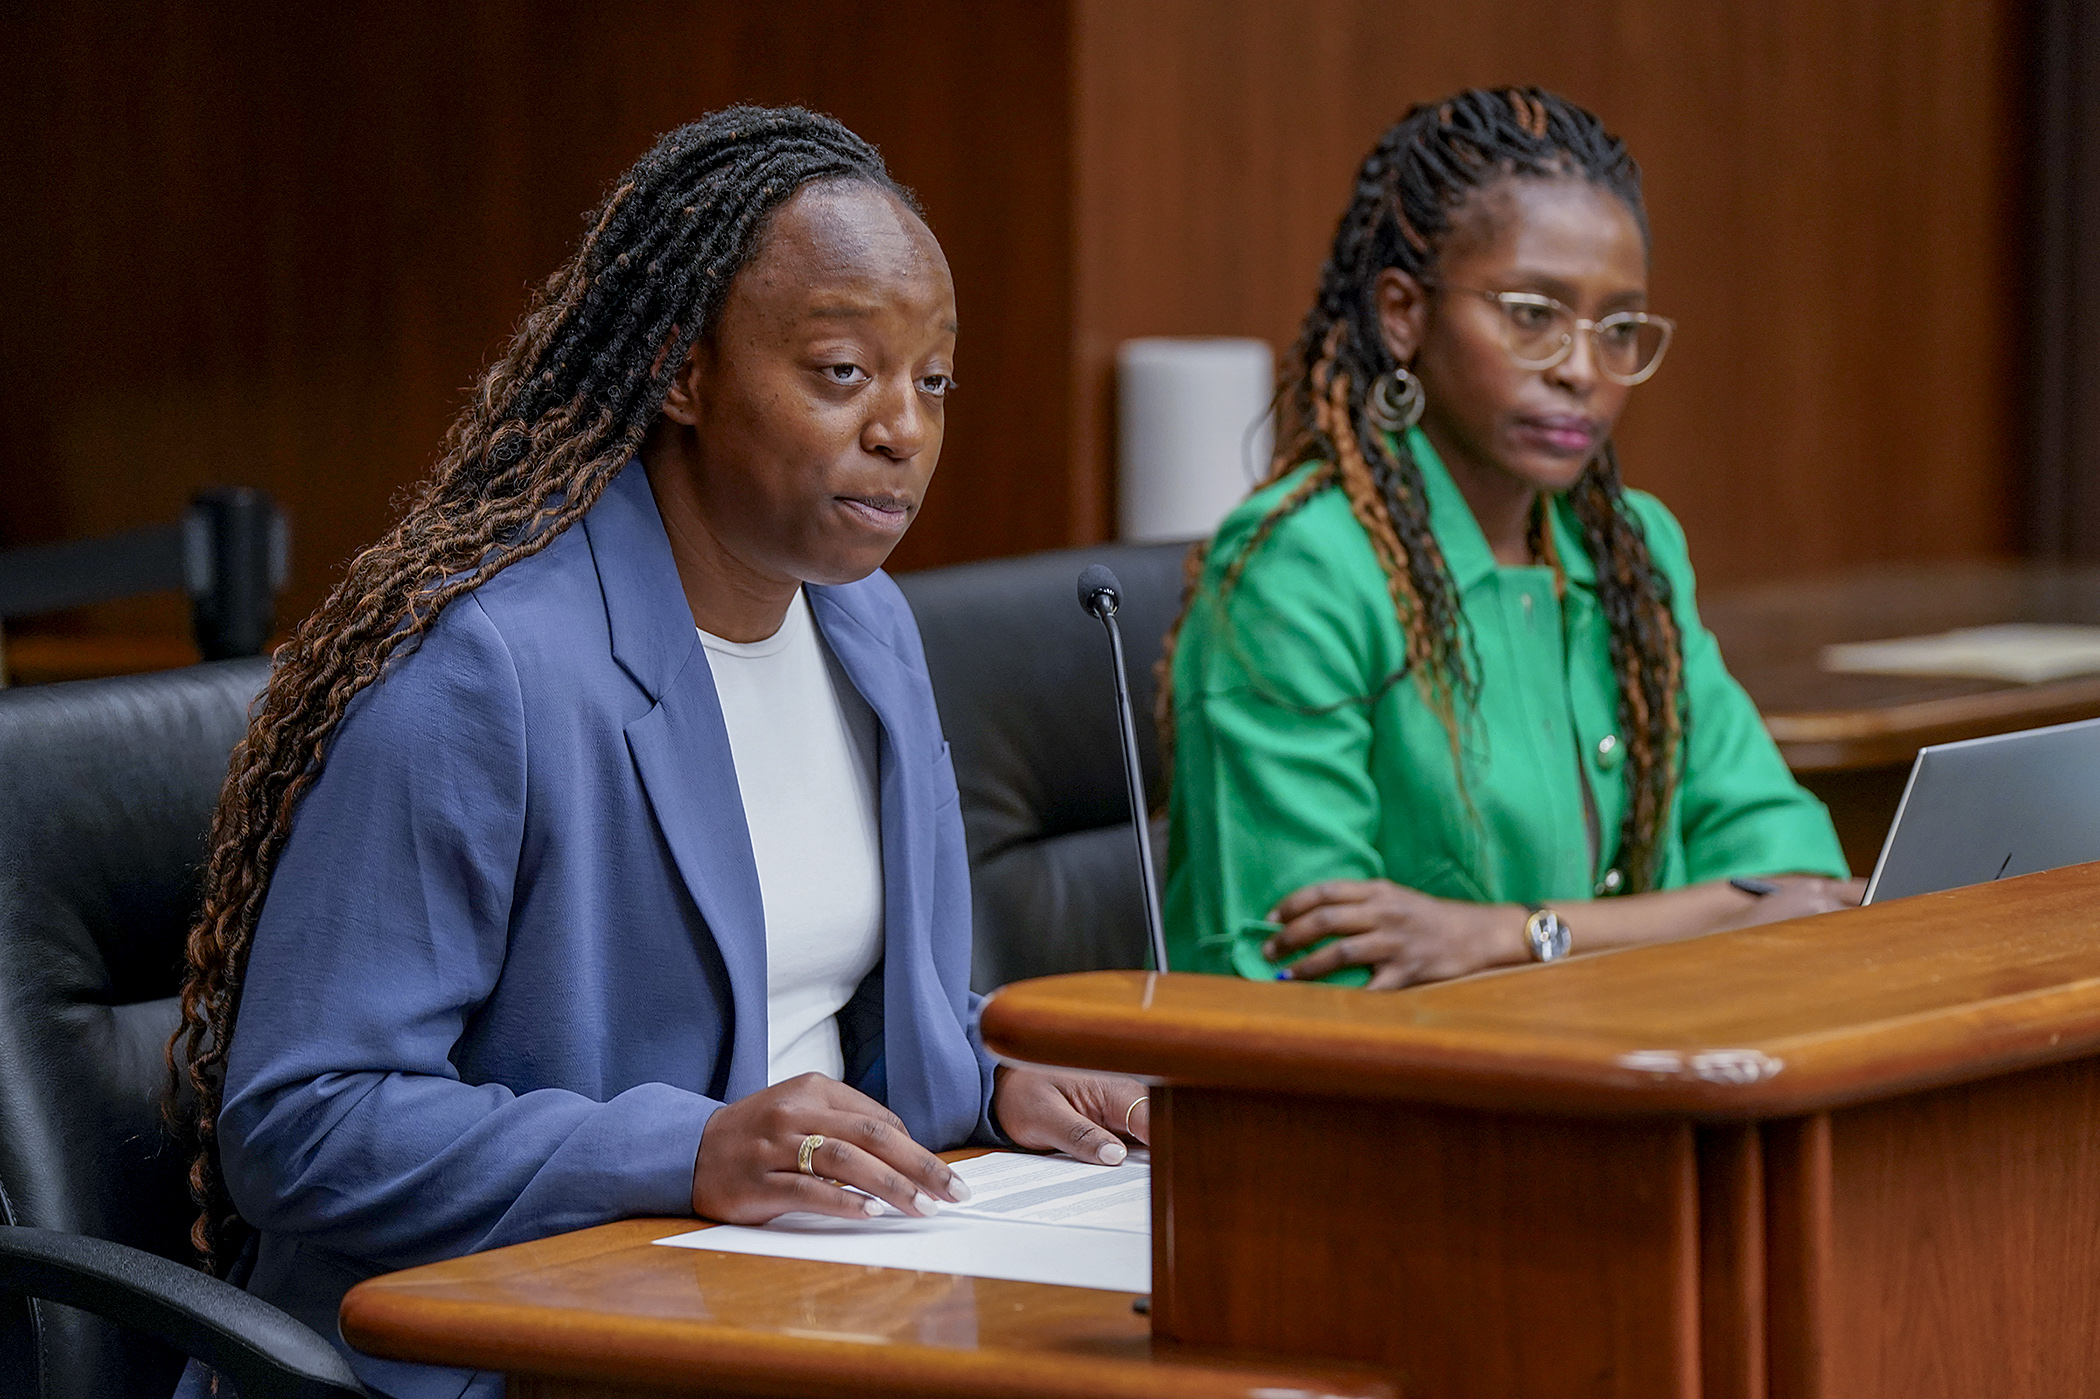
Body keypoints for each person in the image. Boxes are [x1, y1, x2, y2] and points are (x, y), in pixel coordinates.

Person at [167, 107, 1146, 1399]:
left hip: (800, 1298)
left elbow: (808, 1013)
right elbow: (302, 1123)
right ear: (682, 372)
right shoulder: (489, 669)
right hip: (521, 1340)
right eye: (843, 370)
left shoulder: (868, 627)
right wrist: (692, 1150)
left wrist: (991, 1072)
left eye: (935, 379)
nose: (904, 428)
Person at [1160, 88, 1858, 990]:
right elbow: (1308, 978)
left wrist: (1507, 934)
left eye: (1617, 329)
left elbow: (1805, 888)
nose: (1580, 369)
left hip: (1627, 1080)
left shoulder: (1633, 550)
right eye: (1533, 314)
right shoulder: (1298, 570)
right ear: (1405, 312)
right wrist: (1711, 915)